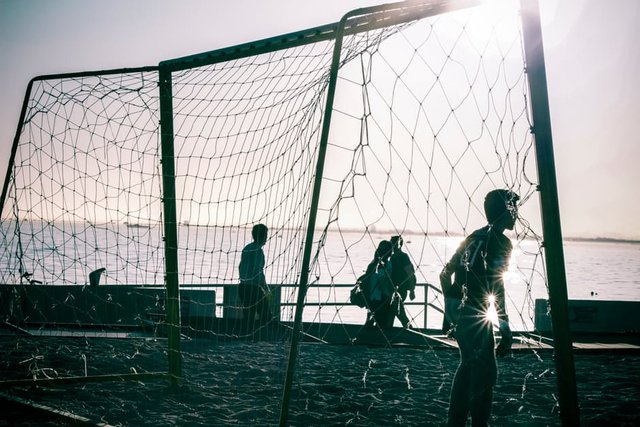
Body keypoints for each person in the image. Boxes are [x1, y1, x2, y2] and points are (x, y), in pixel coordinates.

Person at [440, 189, 519, 426]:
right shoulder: (501, 242)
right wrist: (504, 324)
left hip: (461, 310)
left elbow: (445, 273)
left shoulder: (473, 236)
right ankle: (477, 422)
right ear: (506, 211)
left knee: (468, 364)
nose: (517, 214)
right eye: (514, 209)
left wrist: (451, 304)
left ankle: (456, 421)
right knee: (486, 370)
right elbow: (497, 284)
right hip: (474, 312)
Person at [238, 223, 273, 323]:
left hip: (243, 287)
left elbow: (241, 267)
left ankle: (248, 337)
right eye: (266, 235)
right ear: (262, 236)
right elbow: (258, 272)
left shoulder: (247, 248)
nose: (266, 238)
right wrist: (266, 289)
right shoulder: (258, 251)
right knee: (266, 317)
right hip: (253, 289)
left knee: (248, 319)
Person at [362, 240, 395, 329]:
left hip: (371, 297)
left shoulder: (372, 264)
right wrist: (389, 294)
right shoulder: (384, 264)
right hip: (381, 298)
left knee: (370, 322)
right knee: (382, 324)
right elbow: (382, 281)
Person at [390, 235, 416, 328]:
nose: (391, 245)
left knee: (397, 311)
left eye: (393, 243)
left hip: (401, 289)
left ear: (398, 245)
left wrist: (412, 290)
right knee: (395, 311)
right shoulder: (391, 257)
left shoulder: (403, 257)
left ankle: (408, 328)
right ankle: (407, 327)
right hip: (393, 289)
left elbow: (410, 273)